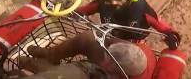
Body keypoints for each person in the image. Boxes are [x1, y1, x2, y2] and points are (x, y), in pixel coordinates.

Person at [76, 0, 180, 50]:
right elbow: (81, 11)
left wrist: (172, 36)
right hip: (110, 41)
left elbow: (161, 26)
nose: (112, 2)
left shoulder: (142, 10)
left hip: (136, 47)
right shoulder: (103, 3)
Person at [20, 30, 157, 79]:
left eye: (108, 61)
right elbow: (107, 42)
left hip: (96, 74)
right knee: (86, 38)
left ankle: (41, 67)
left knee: (69, 74)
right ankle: (51, 54)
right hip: (104, 69)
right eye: (107, 55)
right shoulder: (137, 50)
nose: (104, 60)